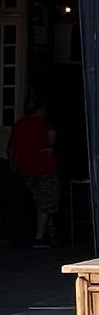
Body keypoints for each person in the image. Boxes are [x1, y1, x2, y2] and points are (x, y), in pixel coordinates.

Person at [7, 97, 59, 247]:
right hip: (45, 169)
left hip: (27, 170)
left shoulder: (19, 125)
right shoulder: (43, 124)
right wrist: (51, 146)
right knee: (47, 202)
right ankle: (39, 238)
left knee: (39, 202)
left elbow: (11, 149)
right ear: (41, 111)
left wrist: (13, 166)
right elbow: (52, 135)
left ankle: (50, 234)